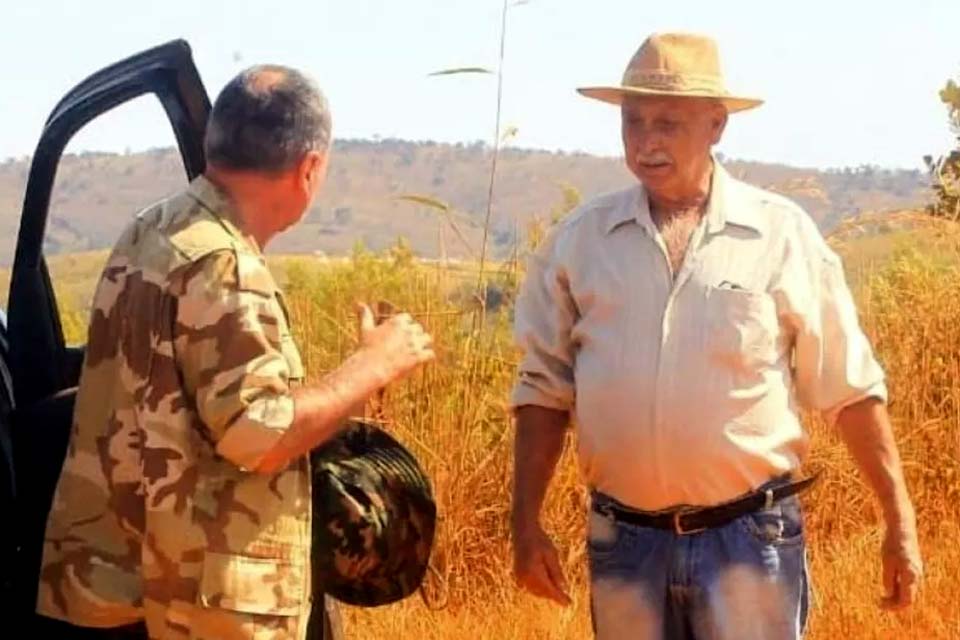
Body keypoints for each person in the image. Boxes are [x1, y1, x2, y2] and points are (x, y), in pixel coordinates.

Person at [509, 32, 922, 639]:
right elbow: (542, 391)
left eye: (668, 123)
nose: (646, 142)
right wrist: (525, 526)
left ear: (716, 125)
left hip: (750, 543)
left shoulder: (780, 236)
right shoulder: (580, 242)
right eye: (633, 122)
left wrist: (899, 519)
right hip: (625, 545)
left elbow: (850, 387)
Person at [36, 64, 434, 639]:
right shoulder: (224, 265)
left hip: (111, 586)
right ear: (309, 168)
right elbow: (259, 434)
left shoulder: (151, 230)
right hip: (189, 608)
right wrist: (372, 365)